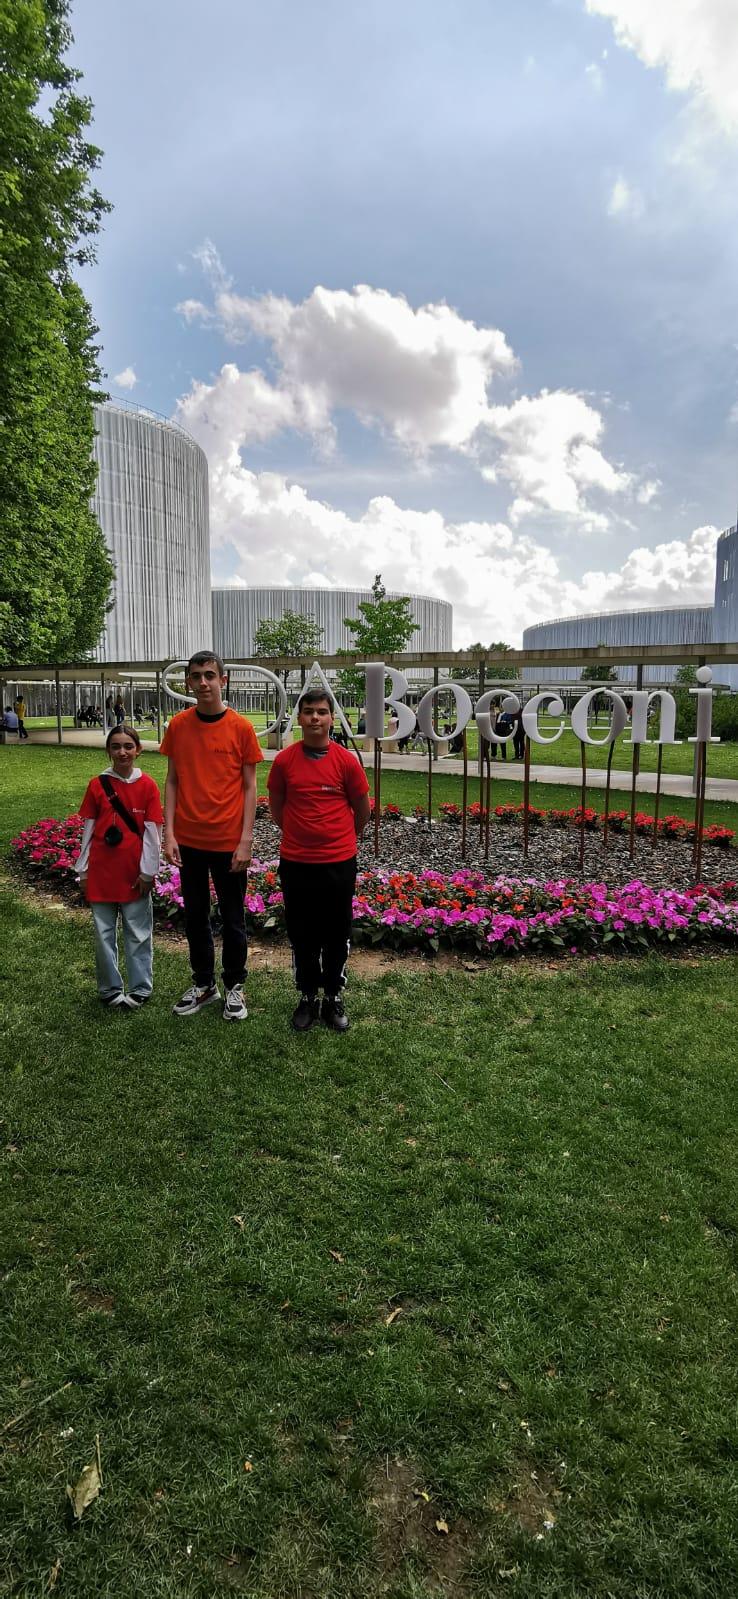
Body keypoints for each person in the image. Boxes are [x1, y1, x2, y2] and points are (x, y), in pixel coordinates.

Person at [161, 650, 263, 1022]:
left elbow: (251, 787)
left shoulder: (241, 728)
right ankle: (204, 984)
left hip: (228, 842)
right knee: (195, 917)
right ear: (188, 682)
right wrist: (168, 833)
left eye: (209, 675)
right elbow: (172, 780)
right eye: (195, 676)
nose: (202, 682)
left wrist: (246, 839)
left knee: (234, 919)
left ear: (224, 680)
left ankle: (234, 987)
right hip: (189, 841)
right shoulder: (178, 726)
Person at [267, 688, 371, 1033]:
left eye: (322, 712)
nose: (315, 718)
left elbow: (362, 811)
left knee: (336, 930)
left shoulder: (345, 761)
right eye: (308, 711)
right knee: (302, 931)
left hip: (338, 863)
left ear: (331, 718)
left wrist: (338, 840)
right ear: (298, 718)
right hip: (296, 861)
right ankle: (308, 996)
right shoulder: (285, 760)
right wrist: (301, 835)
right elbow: (278, 807)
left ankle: (332, 997)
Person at [75, 725, 164, 1009]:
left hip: (133, 871)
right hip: (102, 870)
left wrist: (148, 871)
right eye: (116, 746)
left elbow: (152, 832)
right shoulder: (96, 784)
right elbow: (88, 830)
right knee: (103, 933)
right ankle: (109, 988)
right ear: (108, 751)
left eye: (128, 746)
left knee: (138, 931)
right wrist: (84, 870)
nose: (122, 752)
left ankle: (140, 987)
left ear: (138, 749)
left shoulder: (147, 785)